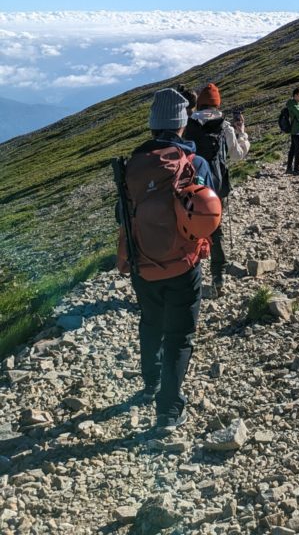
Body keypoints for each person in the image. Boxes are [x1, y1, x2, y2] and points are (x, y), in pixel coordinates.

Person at [119, 87, 214, 434]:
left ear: (152, 125)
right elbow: (210, 209)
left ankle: (150, 383)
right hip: (185, 263)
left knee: (151, 322)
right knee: (180, 335)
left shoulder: (133, 166)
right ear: (181, 124)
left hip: (143, 263)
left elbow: (122, 213)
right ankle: (169, 411)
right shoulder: (195, 163)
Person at [184, 82, 250, 298]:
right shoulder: (225, 127)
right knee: (216, 231)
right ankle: (218, 277)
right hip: (216, 188)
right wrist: (243, 134)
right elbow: (237, 155)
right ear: (217, 104)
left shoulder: (188, 125)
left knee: (189, 231)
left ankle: (187, 277)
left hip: (190, 187)